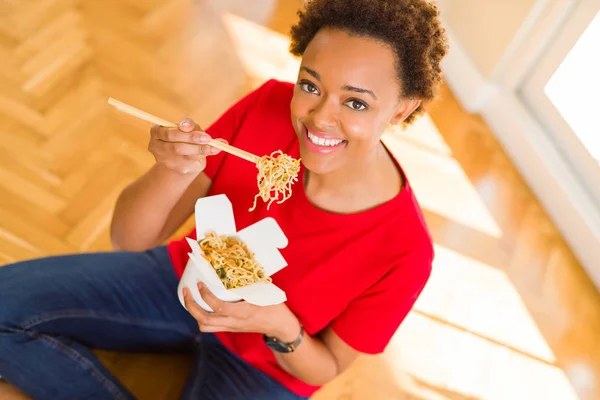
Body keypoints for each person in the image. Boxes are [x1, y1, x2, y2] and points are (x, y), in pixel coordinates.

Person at [0, 0, 448, 399]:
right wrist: (172, 170)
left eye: (355, 104)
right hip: (184, 280)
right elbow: (131, 239)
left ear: (401, 110)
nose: (319, 118)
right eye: (311, 86)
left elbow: (327, 366)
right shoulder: (268, 106)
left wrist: (276, 323)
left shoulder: (406, 250)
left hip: (266, 367)